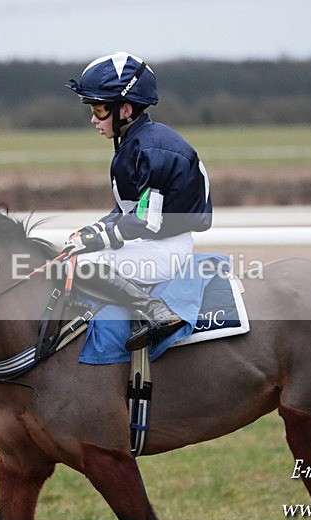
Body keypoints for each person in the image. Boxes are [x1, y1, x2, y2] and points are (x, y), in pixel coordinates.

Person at [63, 52, 213, 351]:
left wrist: (98, 239)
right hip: (153, 240)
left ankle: (157, 312)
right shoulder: (135, 142)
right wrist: (94, 230)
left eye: (100, 109)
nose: (94, 118)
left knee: (82, 266)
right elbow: (126, 210)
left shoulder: (152, 149)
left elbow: (146, 220)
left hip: (167, 246)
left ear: (126, 109)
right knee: (74, 258)